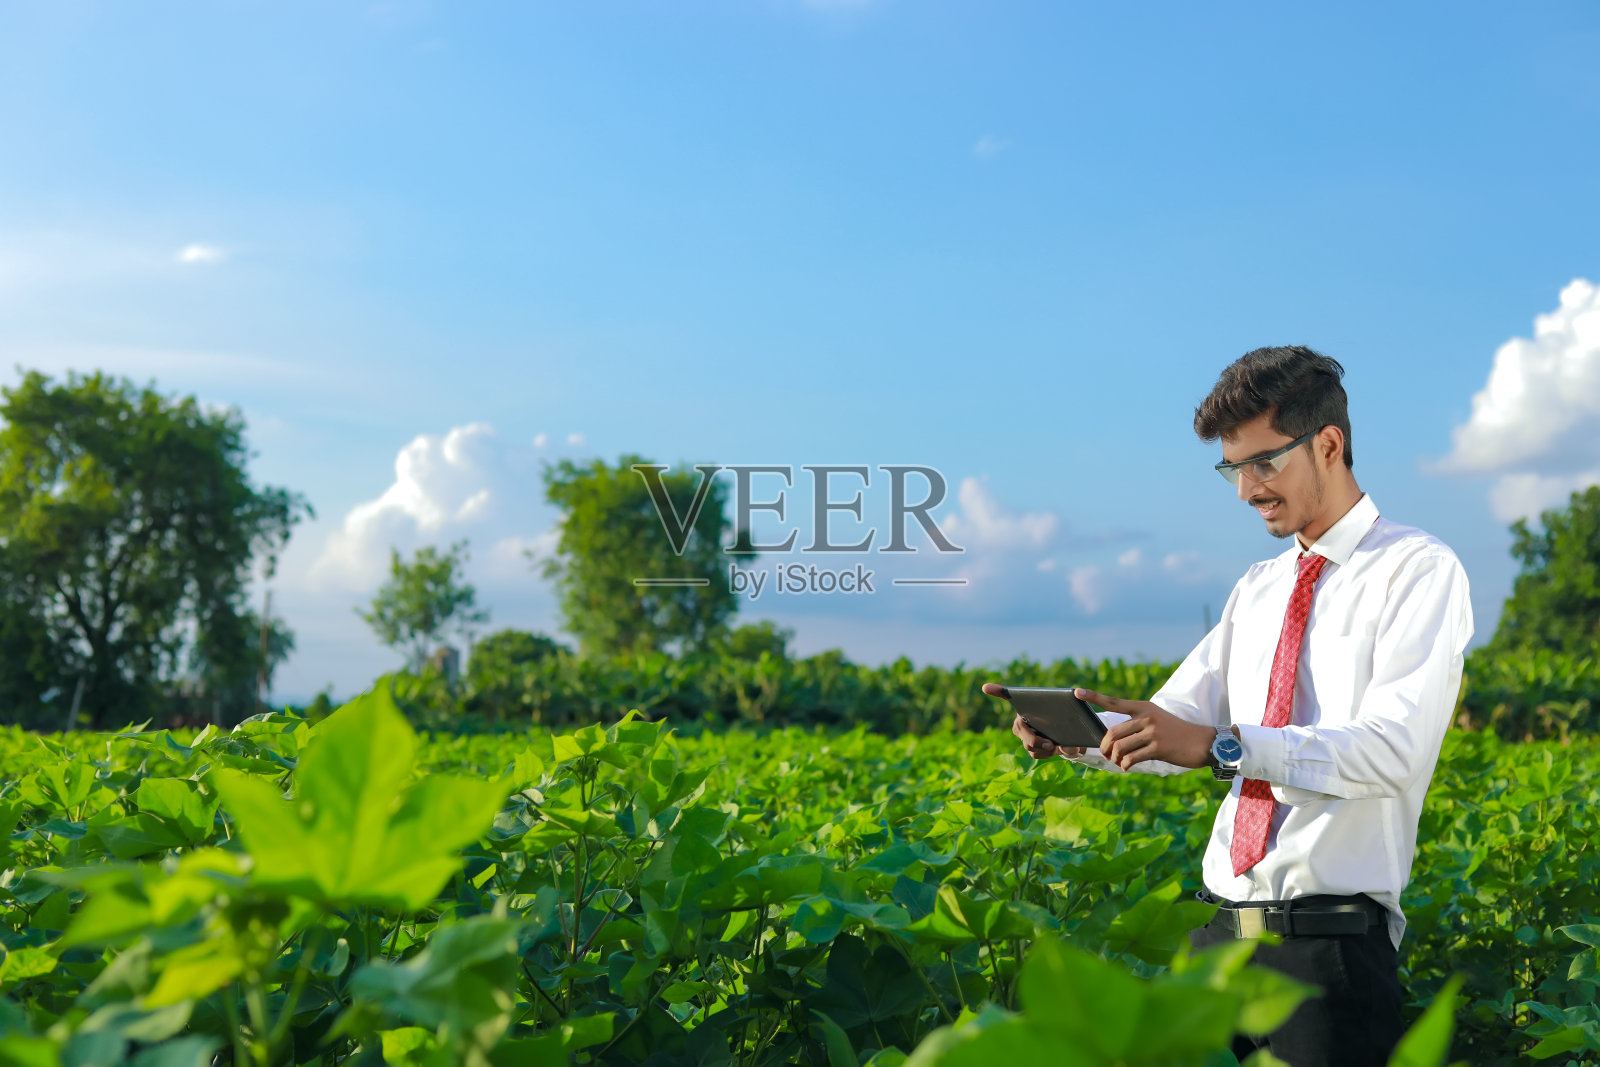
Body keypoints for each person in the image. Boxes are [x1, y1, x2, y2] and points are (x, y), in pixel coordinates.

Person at [986, 346, 1473, 1067]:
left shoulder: (1417, 570)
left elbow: (1392, 748)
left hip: (1327, 953)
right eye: (1232, 469)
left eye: (1263, 463)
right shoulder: (1259, 587)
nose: (1246, 490)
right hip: (1215, 945)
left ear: (1328, 444)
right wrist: (1080, 736)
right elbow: (1173, 722)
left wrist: (1225, 745)